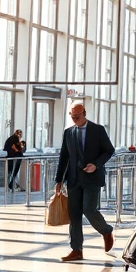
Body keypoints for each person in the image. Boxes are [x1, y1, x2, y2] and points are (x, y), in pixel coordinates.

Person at [54, 102, 116, 262]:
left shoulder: (98, 130)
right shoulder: (69, 133)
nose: (74, 119)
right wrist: (59, 180)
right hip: (73, 179)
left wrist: (96, 164)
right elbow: (64, 157)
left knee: (89, 210)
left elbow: (109, 150)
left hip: (92, 178)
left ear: (84, 113)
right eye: (72, 116)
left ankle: (106, 231)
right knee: (74, 215)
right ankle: (76, 249)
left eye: (77, 116)